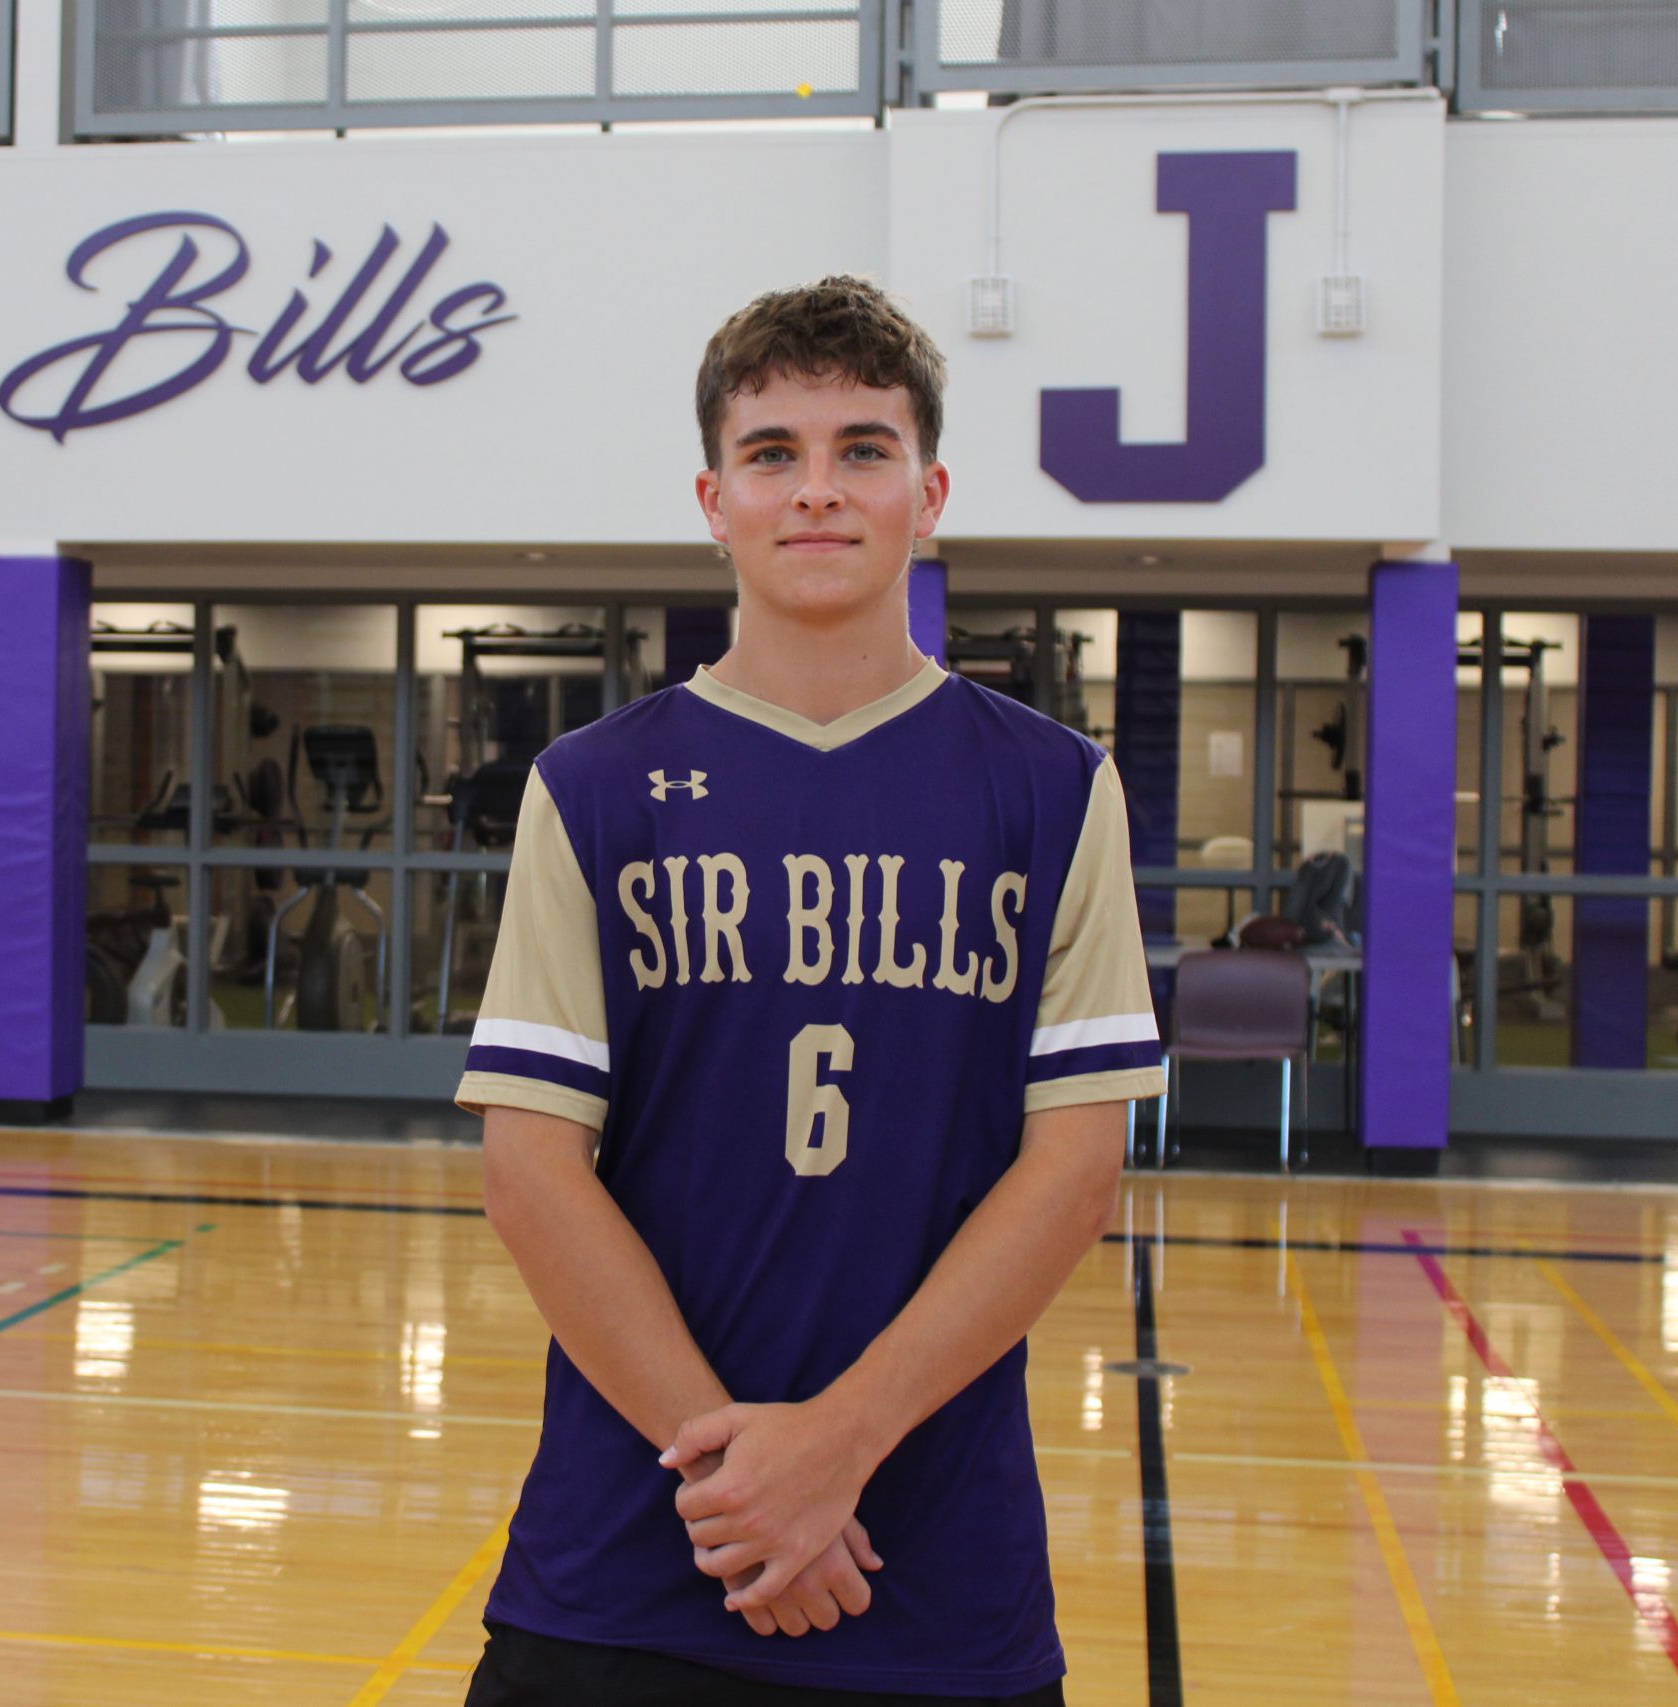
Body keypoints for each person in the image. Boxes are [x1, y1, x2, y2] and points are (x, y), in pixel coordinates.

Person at [455, 276, 1165, 1705]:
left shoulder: (1050, 787)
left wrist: (835, 1444)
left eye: (864, 448)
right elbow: (532, 1170)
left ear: (930, 489)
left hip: (935, 1571)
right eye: (774, 452)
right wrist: (742, 1476)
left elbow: (1075, 1172)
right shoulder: (590, 790)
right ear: (714, 496)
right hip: (628, 1564)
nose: (818, 490)